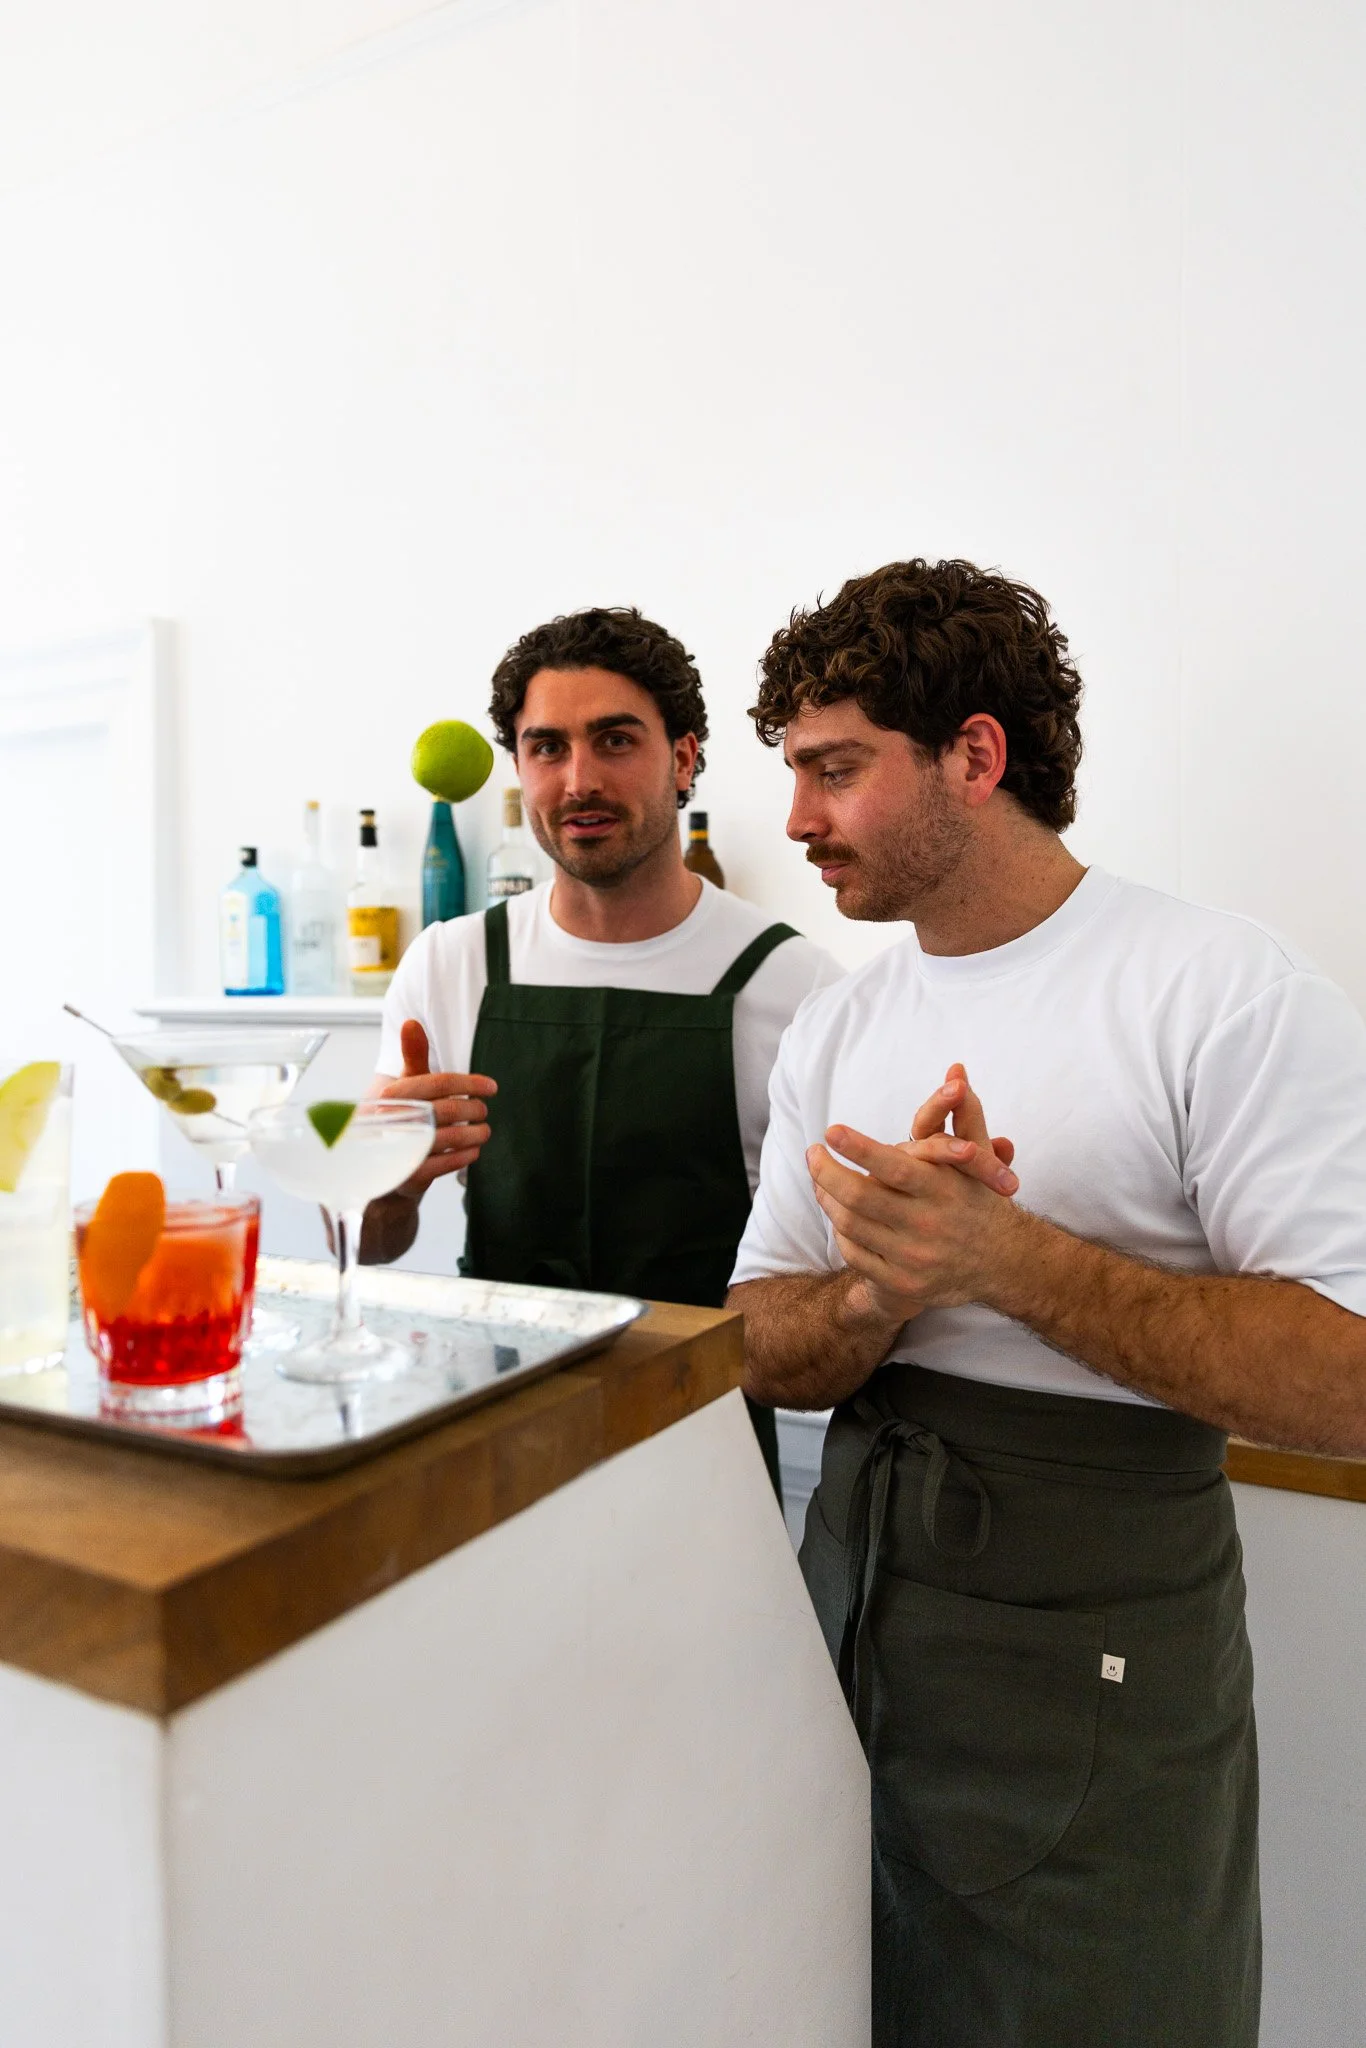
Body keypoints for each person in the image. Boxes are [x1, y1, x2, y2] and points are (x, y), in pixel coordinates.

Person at [726, 557, 1366, 2047]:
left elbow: (1346, 1383)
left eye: (834, 771)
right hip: (852, 1613)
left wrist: (1002, 1260)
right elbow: (757, 1338)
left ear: (973, 754)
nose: (800, 821)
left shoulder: (1216, 990)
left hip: (1097, 1654)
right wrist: (879, 1291)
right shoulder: (842, 1022)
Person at [364, 606, 843, 1497]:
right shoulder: (449, 963)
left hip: (705, 1446)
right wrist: (381, 1175)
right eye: (546, 747)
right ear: (517, 767)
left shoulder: (795, 984)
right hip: (498, 1429)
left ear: (686, 757)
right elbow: (375, 1240)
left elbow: (829, 1280)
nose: (578, 780)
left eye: (615, 740)